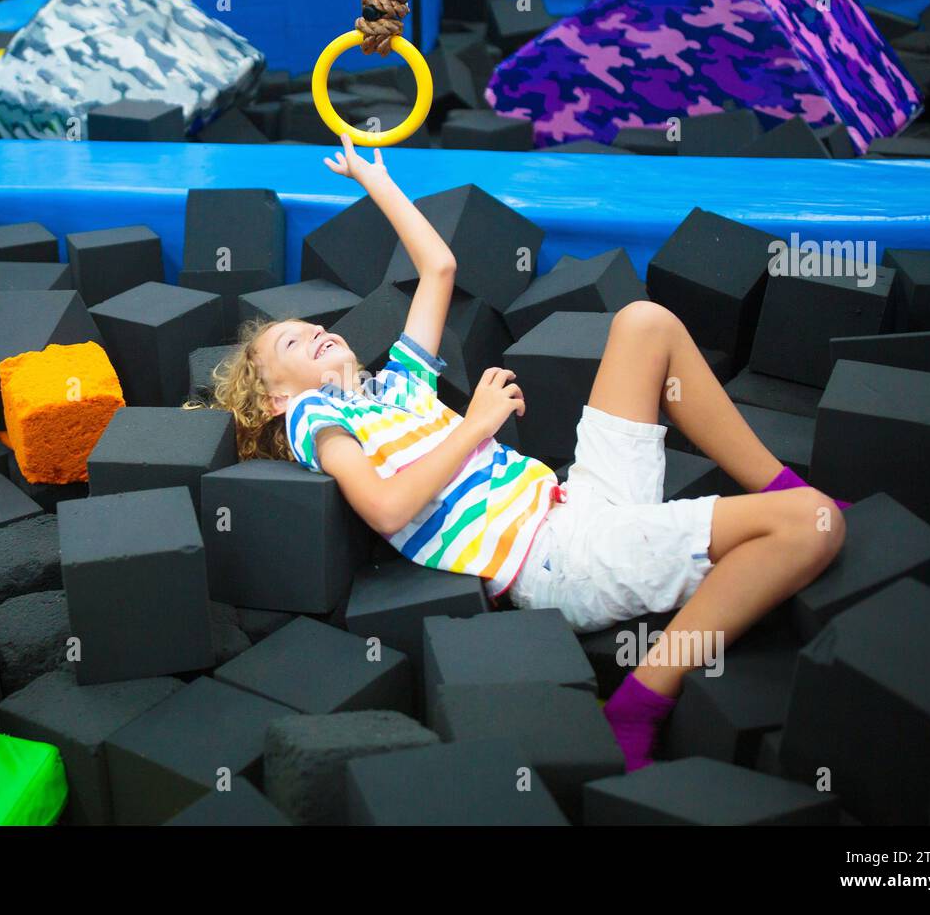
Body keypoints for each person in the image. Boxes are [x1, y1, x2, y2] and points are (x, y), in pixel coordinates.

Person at [199, 134, 847, 770]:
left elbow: (439, 268)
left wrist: (378, 184)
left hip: (579, 501)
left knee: (645, 324)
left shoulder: (396, 386)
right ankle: (641, 701)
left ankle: (779, 483)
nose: (313, 331)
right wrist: (475, 425)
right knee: (816, 529)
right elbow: (388, 508)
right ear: (276, 400)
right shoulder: (320, 418)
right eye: (290, 345)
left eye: (312, 326)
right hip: (558, 560)